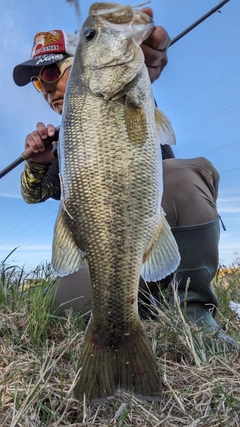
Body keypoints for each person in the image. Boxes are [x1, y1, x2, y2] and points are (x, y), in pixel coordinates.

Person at [13, 8, 236, 348]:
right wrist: (39, 164)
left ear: (82, 62)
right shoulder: (63, 145)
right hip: (110, 265)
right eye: (36, 82)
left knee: (185, 174)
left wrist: (143, 59)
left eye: (49, 72)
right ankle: (136, 312)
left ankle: (194, 313)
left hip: (158, 245)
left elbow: (141, 70)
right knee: (61, 309)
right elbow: (35, 195)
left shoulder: (129, 92)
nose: (44, 88)